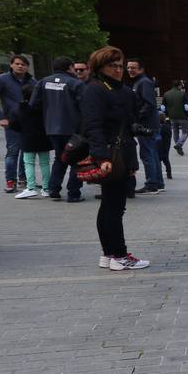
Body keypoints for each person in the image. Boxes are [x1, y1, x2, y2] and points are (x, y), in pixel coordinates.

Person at [81, 47, 148, 270]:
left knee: (111, 205)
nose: (119, 70)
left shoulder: (124, 91)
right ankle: (118, 254)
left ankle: (109, 253)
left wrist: (133, 161)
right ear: (100, 67)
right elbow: (93, 126)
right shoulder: (95, 90)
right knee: (113, 206)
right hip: (110, 155)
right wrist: (101, 156)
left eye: (121, 65)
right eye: (113, 66)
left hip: (123, 153)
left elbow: (128, 126)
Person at [31, 56, 84, 202]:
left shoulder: (43, 82)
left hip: (51, 128)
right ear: (70, 67)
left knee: (60, 159)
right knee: (77, 160)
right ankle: (73, 193)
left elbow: (34, 104)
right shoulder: (76, 83)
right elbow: (84, 106)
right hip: (73, 129)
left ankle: (54, 189)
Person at [0, 55, 32, 192]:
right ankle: (11, 181)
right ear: (11, 65)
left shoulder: (32, 81)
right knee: (13, 152)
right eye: (17, 63)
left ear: (27, 67)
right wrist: (0, 117)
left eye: (23, 64)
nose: (20, 66)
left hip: (28, 122)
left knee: (27, 152)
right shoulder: (1, 79)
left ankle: (24, 179)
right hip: (12, 121)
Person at [126, 58, 163, 193]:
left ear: (141, 69)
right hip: (148, 123)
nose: (130, 70)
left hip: (147, 125)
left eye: (133, 67)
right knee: (152, 153)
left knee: (147, 153)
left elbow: (149, 104)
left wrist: (136, 118)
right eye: (128, 67)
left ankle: (152, 183)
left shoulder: (144, 83)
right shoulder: (140, 82)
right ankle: (157, 182)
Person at [13, 79, 52, 199]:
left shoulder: (20, 108)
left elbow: (13, 124)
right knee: (45, 163)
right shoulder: (45, 107)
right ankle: (46, 188)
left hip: (27, 138)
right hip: (44, 138)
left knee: (29, 163)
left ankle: (31, 188)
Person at [163, 80, 188, 155]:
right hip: (182, 117)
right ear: (179, 86)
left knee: (175, 132)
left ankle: (178, 146)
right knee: (185, 132)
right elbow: (186, 107)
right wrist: (187, 115)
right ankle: (179, 144)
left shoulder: (166, 94)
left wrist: (167, 115)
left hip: (172, 117)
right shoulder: (182, 94)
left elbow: (163, 107)